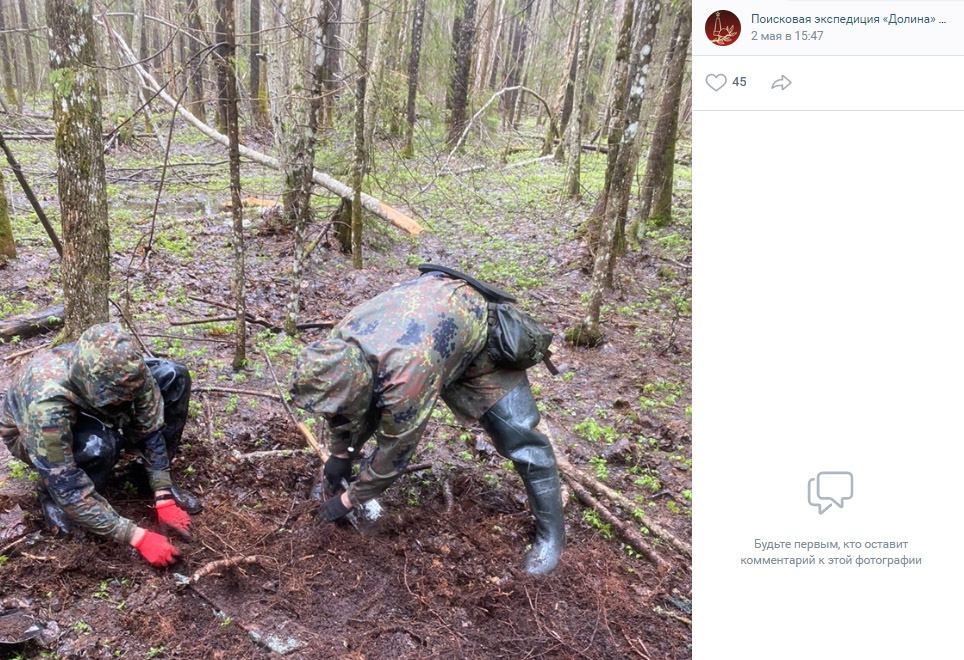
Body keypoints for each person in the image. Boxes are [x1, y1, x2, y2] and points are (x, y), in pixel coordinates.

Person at [290, 267, 565, 575]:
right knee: (360, 408)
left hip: (477, 335)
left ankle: (552, 538)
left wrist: (348, 501)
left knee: (521, 438)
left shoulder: (405, 382)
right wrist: (341, 453)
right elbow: (341, 410)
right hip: (425, 338)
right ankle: (342, 473)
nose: (331, 412)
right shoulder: (338, 347)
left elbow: (395, 453)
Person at [0, 323, 200, 567]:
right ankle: (49, 496)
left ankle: (141, 475)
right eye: (118, 400)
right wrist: (137, 537)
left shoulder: (127, 371)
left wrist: (163, 491)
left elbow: (150, 425)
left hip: (93, 402)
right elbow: (68, 485)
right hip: (29, 435)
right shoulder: (46, 407)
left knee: (173, 376)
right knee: (100, 445)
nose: (126, 402)